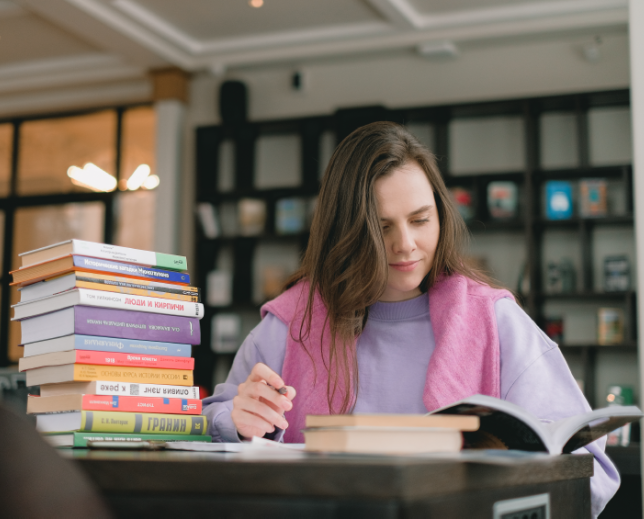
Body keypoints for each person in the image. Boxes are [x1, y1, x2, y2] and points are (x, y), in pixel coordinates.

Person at [202, 121, 619, 516]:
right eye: (381, 228)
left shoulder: (496, 322)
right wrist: (233, 422)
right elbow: (203, 426)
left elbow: (592, 471)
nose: (406, 245)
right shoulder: (291, 324)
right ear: (344, 233)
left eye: (421, 220)